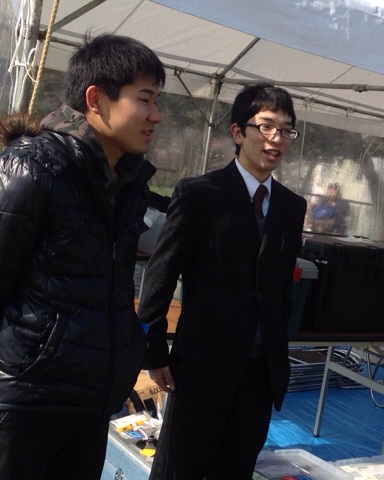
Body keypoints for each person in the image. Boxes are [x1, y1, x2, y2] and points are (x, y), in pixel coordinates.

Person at [0, 34, 164, 480]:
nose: (156, 115)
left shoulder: (127, 180)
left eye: (157, 101)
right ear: (95, 100)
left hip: (90, 398)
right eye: (144, 99)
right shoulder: (33, 168)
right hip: (26, 401)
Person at [137, 83, 307, 479]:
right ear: (238, 132)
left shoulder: (291, 206)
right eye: (266, 126)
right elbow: (161, 275)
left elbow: (281, 287)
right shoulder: (200, 193)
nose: (277, 138)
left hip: (260, 373)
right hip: (203, 366)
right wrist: (154, 352)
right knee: (180, 469)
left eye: (286, 130)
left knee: (236, 468)